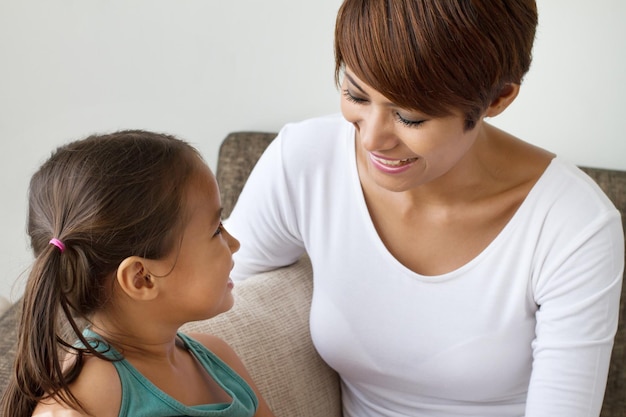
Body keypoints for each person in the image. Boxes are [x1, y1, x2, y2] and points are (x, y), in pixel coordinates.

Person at [225, 1, 624, 416]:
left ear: (498, 98)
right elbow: (200, 287)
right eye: (356, 94)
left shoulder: (573, 224)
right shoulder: (307, 160)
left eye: (410, 117)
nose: (372, 139)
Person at [0, 130, 275, 417]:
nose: (234, 243)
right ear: (141, 278)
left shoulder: (218, 360)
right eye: (217, 230)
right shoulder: (83, 402)